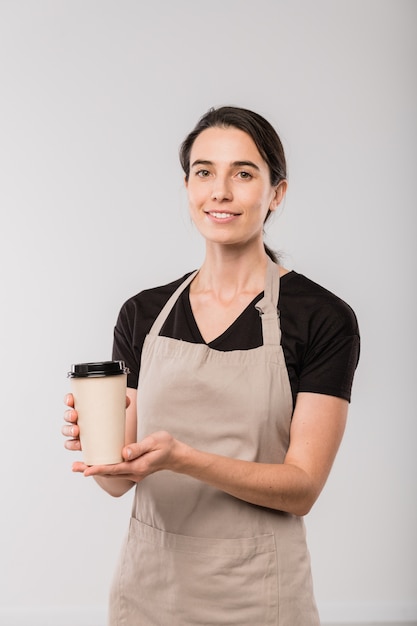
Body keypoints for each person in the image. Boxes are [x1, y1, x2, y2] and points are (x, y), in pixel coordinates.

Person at [63, 106, 360, 625]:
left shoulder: (322, 318)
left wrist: (182, 458)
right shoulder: (143, 313)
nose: (220, 191)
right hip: (149, 590)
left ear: (276, 194)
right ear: (187, 186)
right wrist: (97, 446)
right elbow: (116, 482)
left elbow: (302, 488)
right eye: (204, 172)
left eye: (243, 173)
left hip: (260, 594)